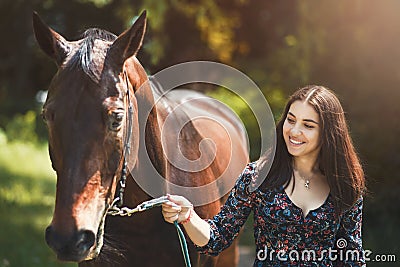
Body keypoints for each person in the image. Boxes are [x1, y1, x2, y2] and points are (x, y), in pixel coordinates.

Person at [162, 85, 366, 266]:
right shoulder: (257, 177)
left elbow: (352, 256)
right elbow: (216, 238)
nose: (294, 131)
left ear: (329, 133)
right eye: (291, 120)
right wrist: (188, 216)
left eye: (308, 125)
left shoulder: (345, 184)